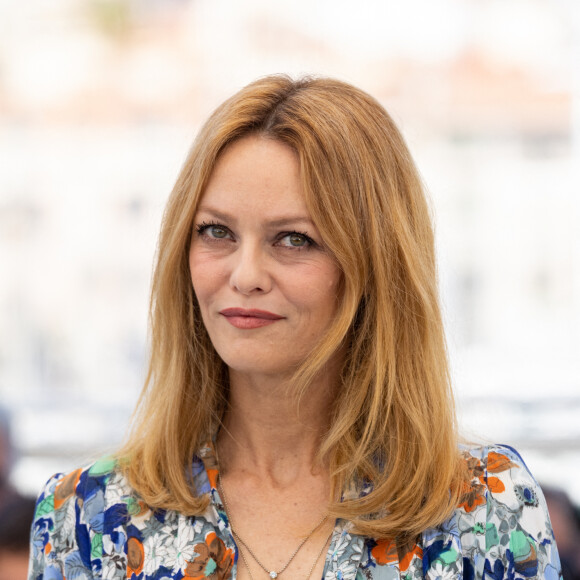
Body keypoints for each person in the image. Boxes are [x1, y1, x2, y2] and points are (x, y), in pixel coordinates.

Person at [28, 75, 561, 580]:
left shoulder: (486, 509)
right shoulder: (88, 515)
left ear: (374, 265)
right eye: (216, 231)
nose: (245, 275)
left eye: (293, 239)